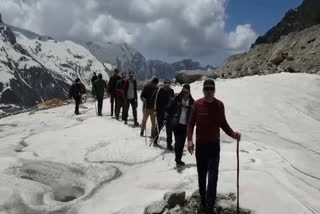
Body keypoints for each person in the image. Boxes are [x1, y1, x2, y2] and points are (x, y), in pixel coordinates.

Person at [187, 79, 241, 213]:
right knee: (201, 175)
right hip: (201, 146)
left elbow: (223, 123)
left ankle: (209, 206)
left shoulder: (219, 105)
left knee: (213, 177)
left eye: (211, 89)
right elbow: (190, 123)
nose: (209, 92)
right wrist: (189, 140)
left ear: (214, 90)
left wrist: (233, 134)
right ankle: (203, 200)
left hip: (214, 146)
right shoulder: (197, 105)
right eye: (206, 89)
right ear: (203, 90)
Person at [166, 84, 194, 166]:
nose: (185, 94)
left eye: (186, 92)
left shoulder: (192, 102)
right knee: (178, 142)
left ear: (189, 92)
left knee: (182, 144)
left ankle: (179, 158)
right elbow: (168, 108)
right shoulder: (177, 99)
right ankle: (177, 159)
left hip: (186, 126)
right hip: (177, 124)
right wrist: (167, 116)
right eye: (184, 92)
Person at [153, 79, 175, 150]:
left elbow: (173, 102)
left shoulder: (171, 91)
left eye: (168, 83)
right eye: (166, 83)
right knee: (159, 127)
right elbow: (156, 101)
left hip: (169, 113)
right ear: (164, 84)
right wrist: (155, 110)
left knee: (169, 129)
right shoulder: (160, 90)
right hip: (160, 112)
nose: (167, 85)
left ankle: (169, 144)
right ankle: (155, 140)